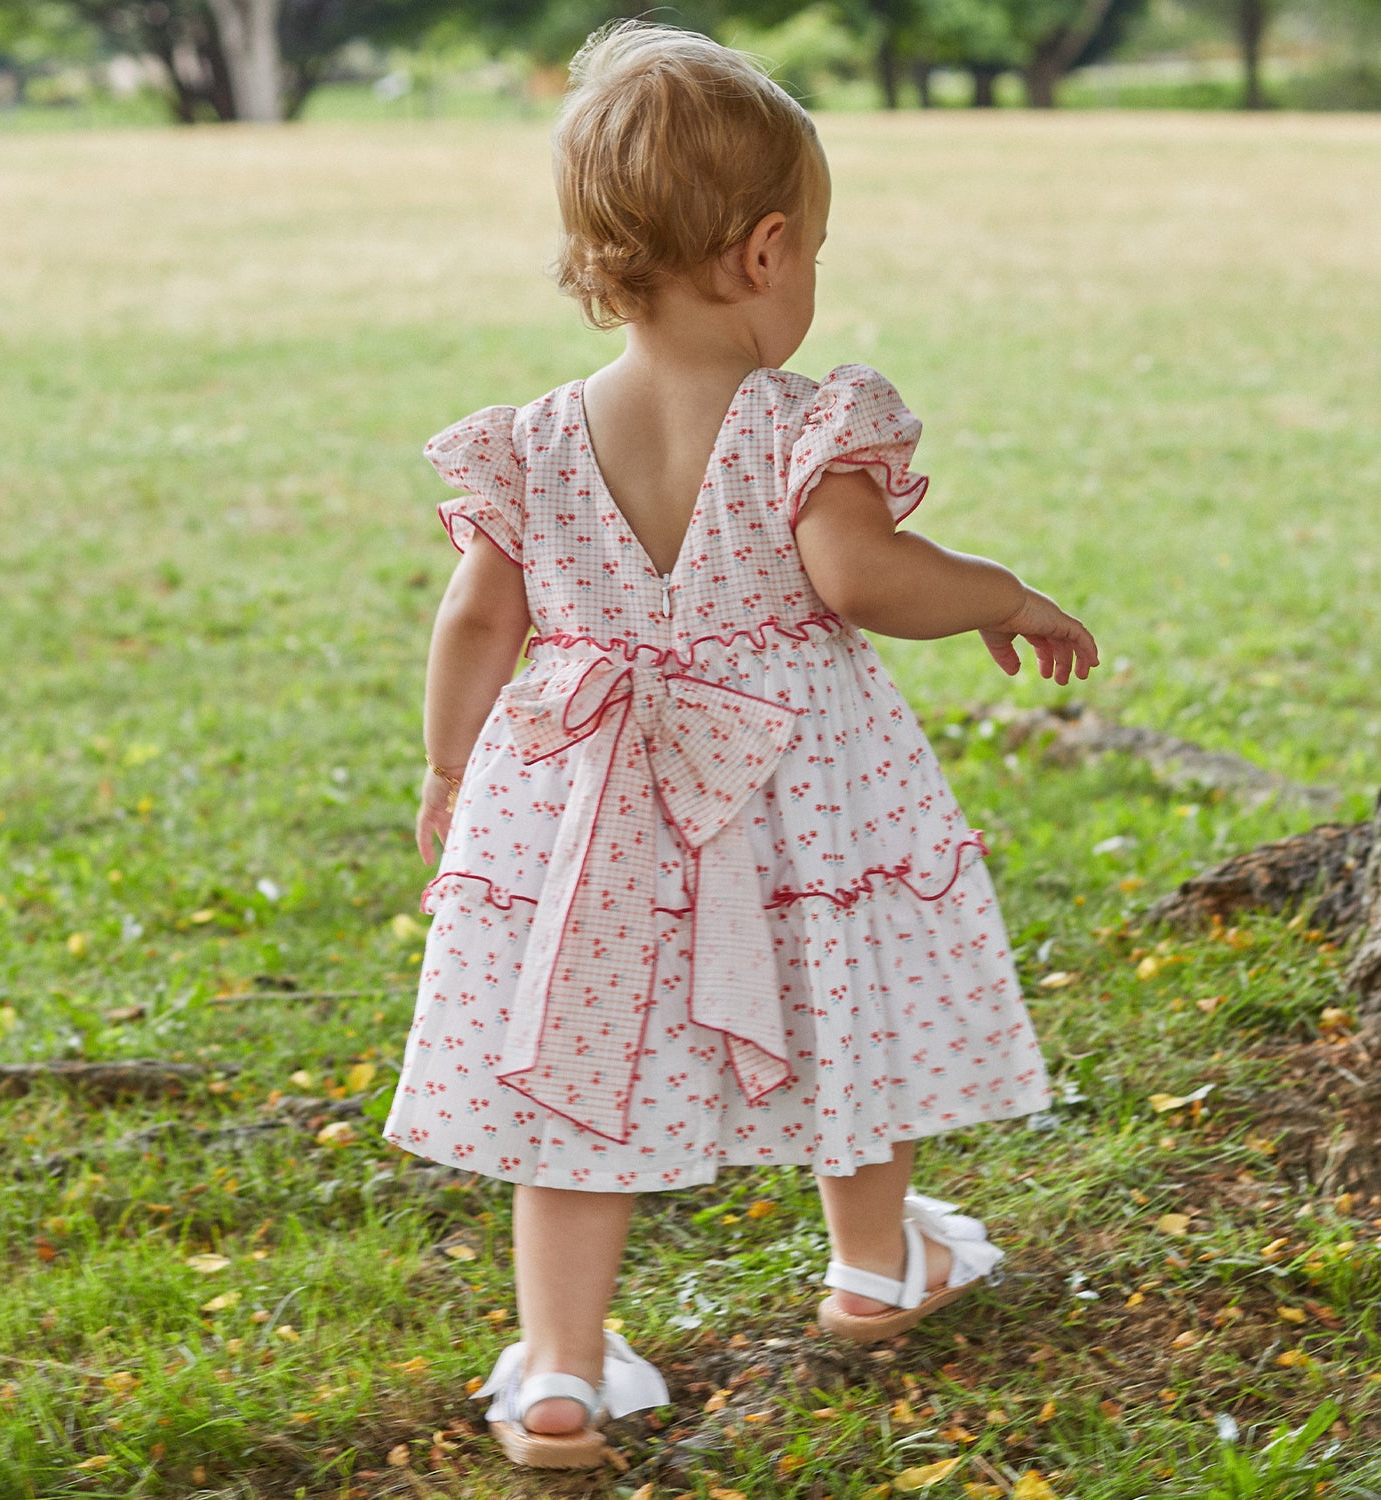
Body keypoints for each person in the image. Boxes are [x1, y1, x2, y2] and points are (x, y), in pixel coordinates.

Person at [382, 20, 1098, 1470]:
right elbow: (859, 578)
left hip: (583, 804)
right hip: (793, 790)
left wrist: (453, 770)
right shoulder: (794, 421)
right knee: (846, 1001)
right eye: (814, 254)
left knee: (576, 1067)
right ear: (767, 251)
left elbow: (475, 621)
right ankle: (873, 1264)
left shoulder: (534, 439)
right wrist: (997, 597)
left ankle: (562, 1376)